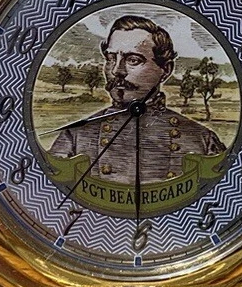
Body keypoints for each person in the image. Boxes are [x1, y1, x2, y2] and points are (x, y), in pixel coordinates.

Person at [48, 15, 225, 185]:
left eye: (133, 60)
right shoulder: (75, 136)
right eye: (111, 59)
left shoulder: (202, 139)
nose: (117, 70)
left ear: (165, 70)